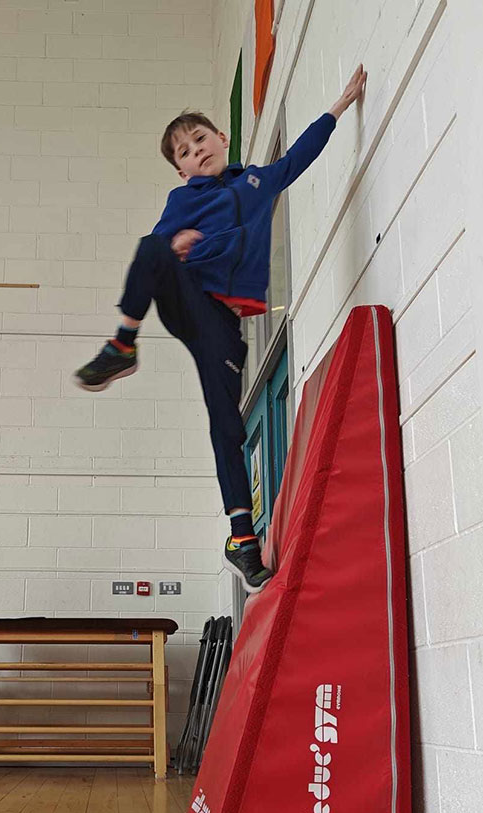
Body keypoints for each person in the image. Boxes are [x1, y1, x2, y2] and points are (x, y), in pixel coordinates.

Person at [75, 65, 368, 593]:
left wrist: (338, 106)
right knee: (150, 246)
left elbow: (296, 157)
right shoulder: (181, 201)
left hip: (223, 329)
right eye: (183, 152)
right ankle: (122, 344)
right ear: (180, 170)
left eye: (199, 140)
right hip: (187, 302)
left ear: (222, 138)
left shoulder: (256, 182)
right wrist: (175, 245)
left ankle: (242, 541)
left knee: (226, 427)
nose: (195, 152)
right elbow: (157, 255)